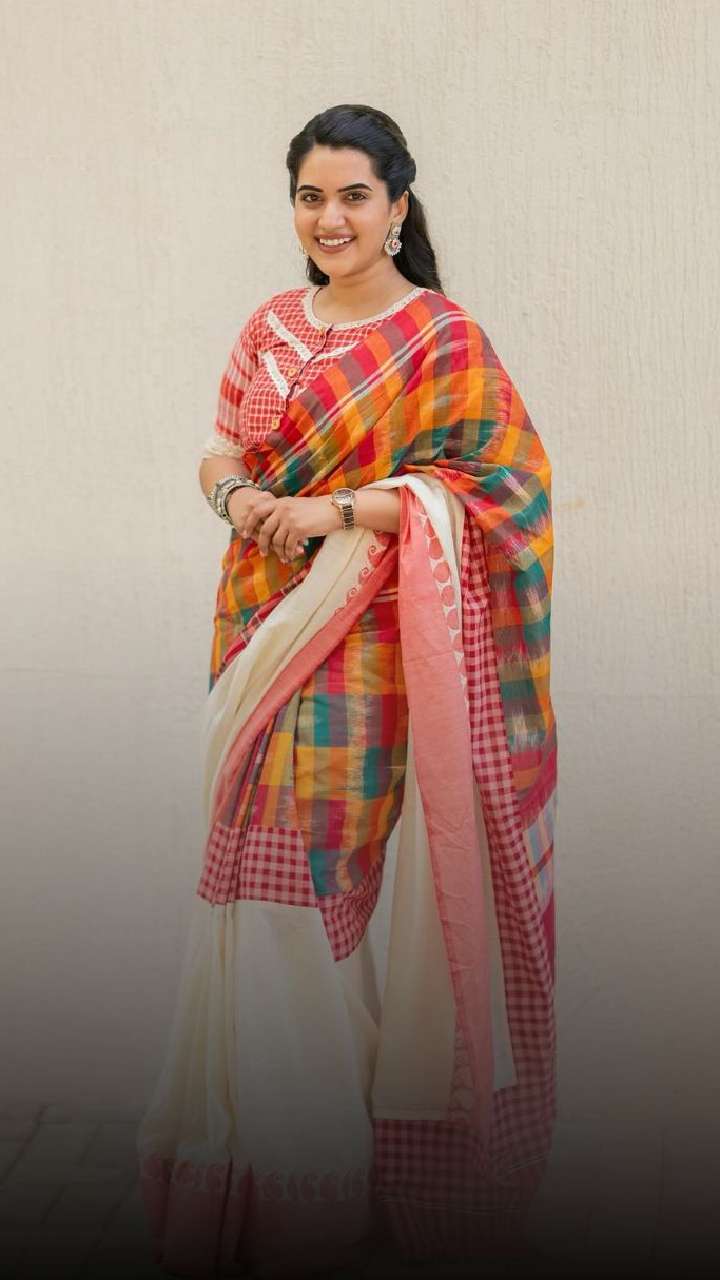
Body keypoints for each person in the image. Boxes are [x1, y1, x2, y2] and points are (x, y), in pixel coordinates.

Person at [136, 103, 558, 1280]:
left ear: (398, 207)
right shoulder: (271, 326)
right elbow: (219, 447)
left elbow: (505, 488)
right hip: (256, 630)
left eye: (354, 196)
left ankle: (320, 1180)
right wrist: (241, 501)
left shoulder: (440, 337)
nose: (330, 218)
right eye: (311, 196)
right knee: (247, 881)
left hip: (369, 650)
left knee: (317, 887)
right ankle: (278, 1168)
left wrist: (334, 510)